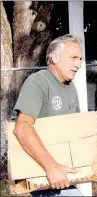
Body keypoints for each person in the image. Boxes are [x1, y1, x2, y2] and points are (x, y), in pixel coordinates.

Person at [11, 34, 85, 196]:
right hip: (41, 175)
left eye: (80, 59)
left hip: (62, 174)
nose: (78, 64)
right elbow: (21, 128)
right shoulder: (38, 81)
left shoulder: (70, 87)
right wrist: (51, 167)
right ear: (54, 58)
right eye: (73, 57)